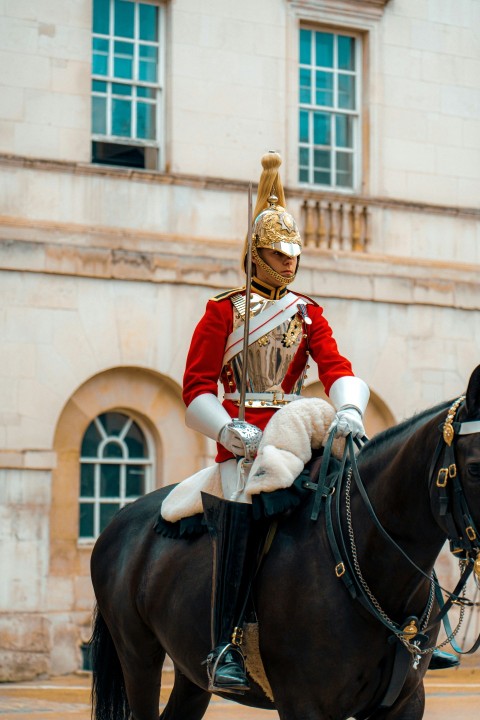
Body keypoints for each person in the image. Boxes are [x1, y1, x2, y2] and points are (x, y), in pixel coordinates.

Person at [181, 151, 370, 694]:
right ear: (255, 254)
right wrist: (229, 431)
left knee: (358, 494)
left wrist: (350, 408)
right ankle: (223, 648)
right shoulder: (223, 312)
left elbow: (337, 368)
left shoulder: (307, 312)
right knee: (244, 510)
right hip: (242, 440)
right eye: (276, 253)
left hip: (296, 427)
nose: (288, 263)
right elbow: (196, 390)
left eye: (293, 254)